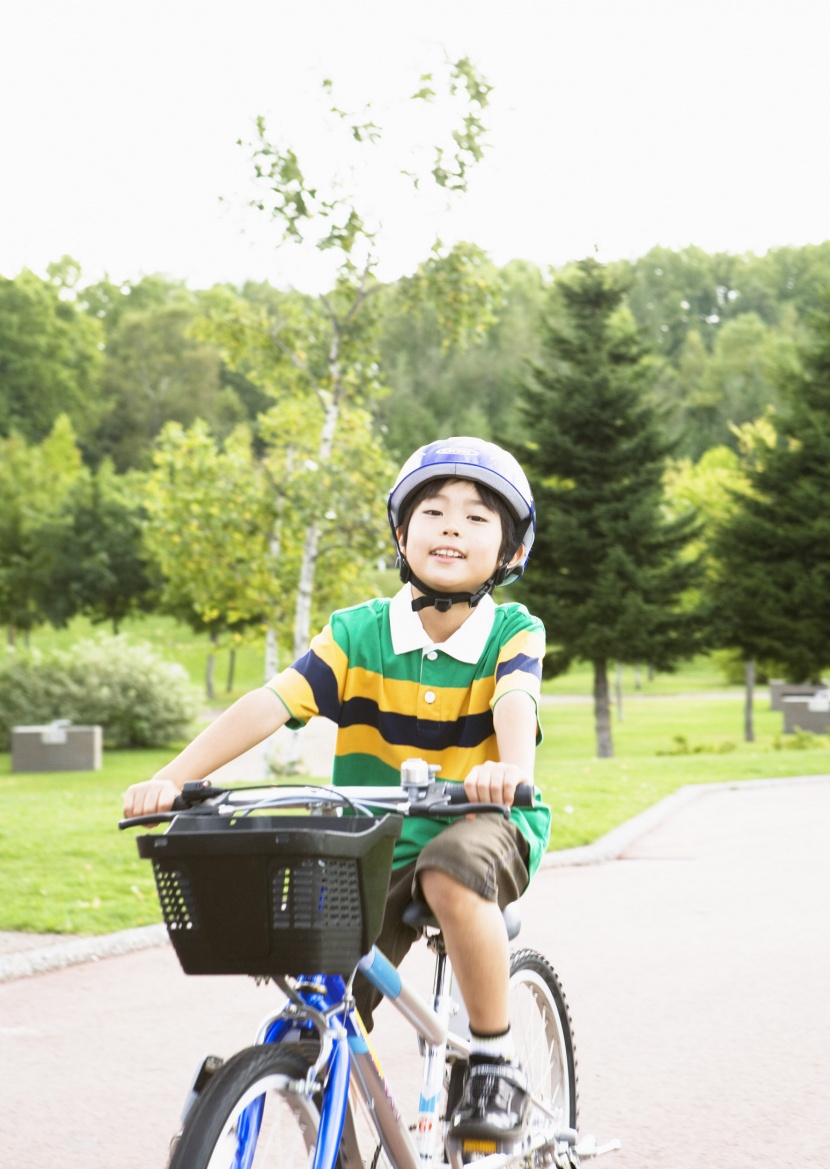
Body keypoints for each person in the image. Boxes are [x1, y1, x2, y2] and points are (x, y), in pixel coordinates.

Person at [124, 436, 551, 1141]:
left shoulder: (511, 628)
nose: (451, 525)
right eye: (433, 510)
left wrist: (510, 770)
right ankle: (333, 1125)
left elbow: (517, 700)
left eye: (478, 517)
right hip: (372, 838)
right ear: (400, 533)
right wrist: (173, 778)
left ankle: (493, 1058)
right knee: (320, 1001)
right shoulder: (357, 633)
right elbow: (270, 702)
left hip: (486, 819)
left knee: (451, 871)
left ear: (510, 553)